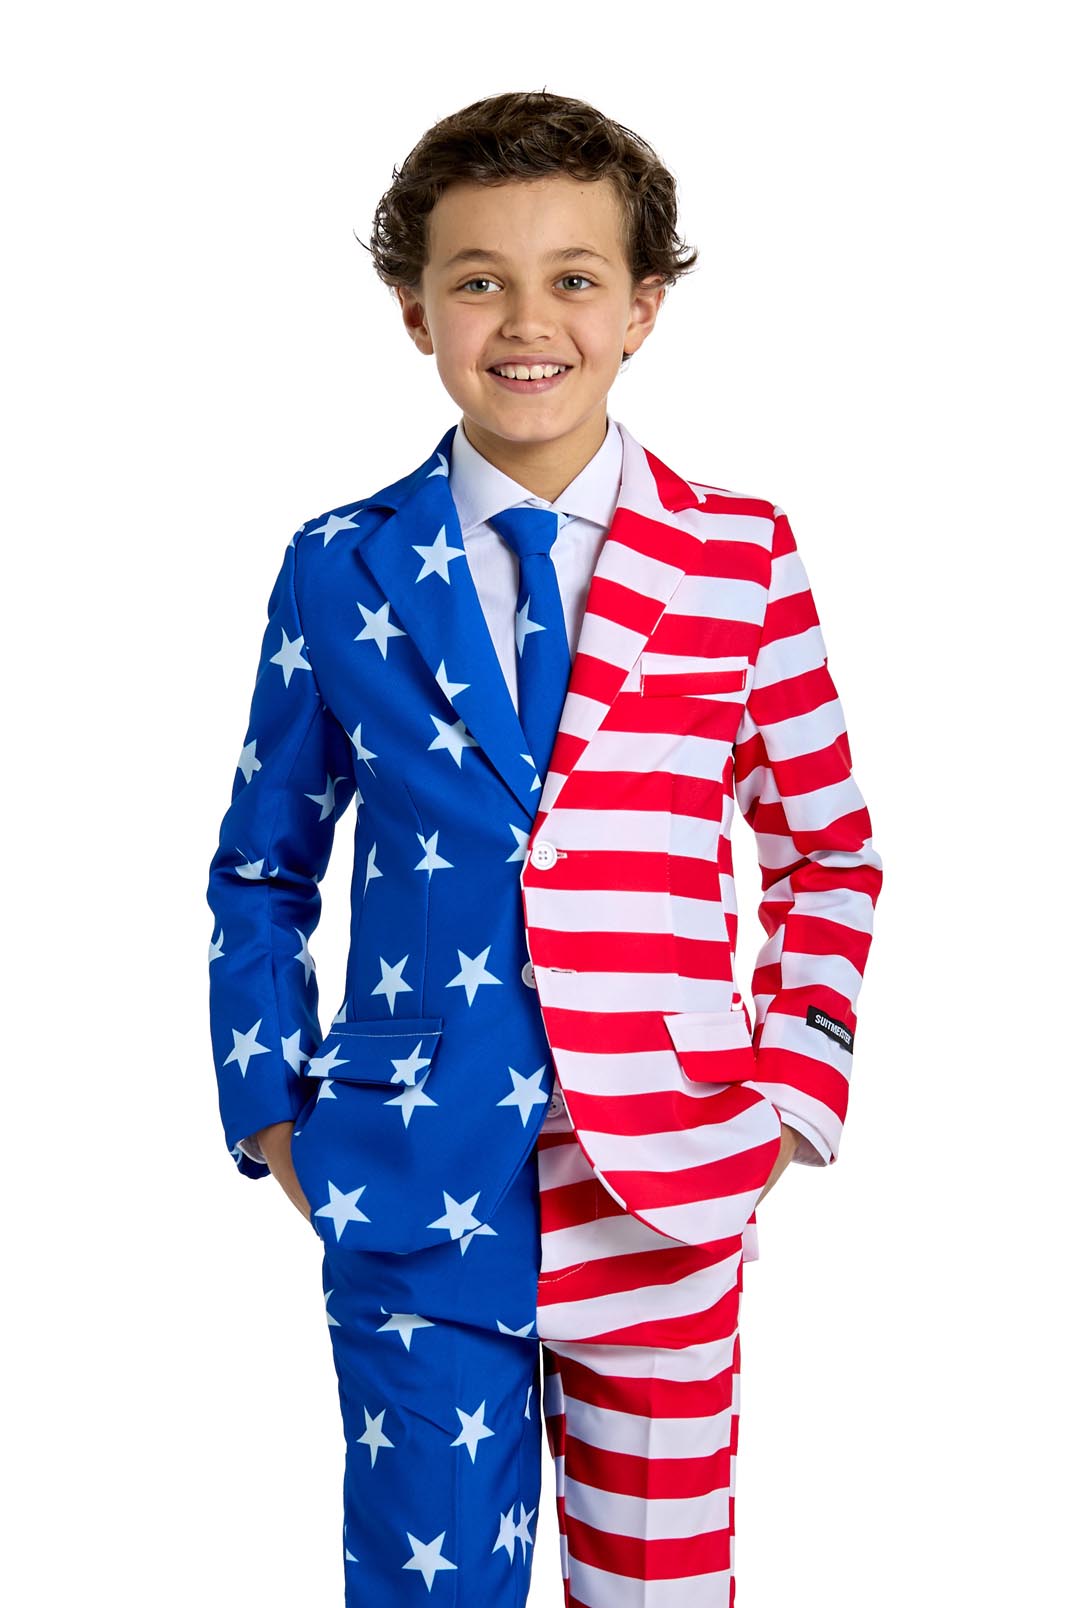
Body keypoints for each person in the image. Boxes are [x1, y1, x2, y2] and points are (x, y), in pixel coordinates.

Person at [206, 88, 883, 1607]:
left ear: (641, 309)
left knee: (660, 1585)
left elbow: (828, 849)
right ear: (415, 313)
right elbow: (262, 867)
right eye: (479, 280)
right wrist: (276, 1118)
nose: (527, 322)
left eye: (574, 277)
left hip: (670, 1170)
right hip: (410, 1174)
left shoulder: (739, 557)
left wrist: (790, 1096)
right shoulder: (339, 564)